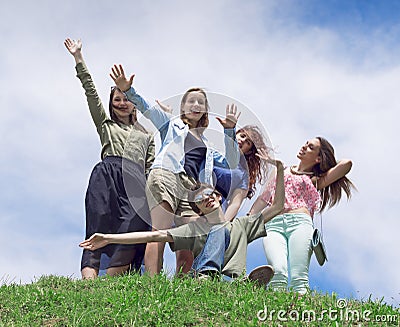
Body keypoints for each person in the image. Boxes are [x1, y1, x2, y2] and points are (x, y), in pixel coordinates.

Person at [109, 64, 241, 275]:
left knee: (190, 236)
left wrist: (229, 130)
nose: (196, 104)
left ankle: (185, 284)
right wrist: (127, 90)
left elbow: (232, 162)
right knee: (159, 231)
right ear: (183, 107)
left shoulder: (207, 146)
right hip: (166, 175)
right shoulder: (171, 124)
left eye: (201, 102)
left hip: (191, 190)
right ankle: (152, 284)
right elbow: (146, 108)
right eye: (191, 101)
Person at [79, 150, 285, 282]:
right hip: (201, 279)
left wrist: (280, 170)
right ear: (198, 211)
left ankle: (242, 284)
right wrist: (107, 238)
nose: (207, 199)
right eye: (200, 200)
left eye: (208, 194)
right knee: (219, 230)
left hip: (226, 280)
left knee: (226, 237)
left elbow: (276, 207)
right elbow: (152, 236)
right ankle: (206, 275)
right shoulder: (194, 230)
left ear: (218, 195)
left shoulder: (242, 225)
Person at [64, 38, 155, 279]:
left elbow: (152, 166)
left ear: (135, 104)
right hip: (107, 174)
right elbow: (91, 92)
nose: (122, 103)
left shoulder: (147, 135)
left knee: (135, 224)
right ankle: (89, 282)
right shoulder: (106, 125)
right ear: (112, 105)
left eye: (127, 99)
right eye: (117, 100)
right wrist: (78, 58)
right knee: (98, 224)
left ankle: (114, 274)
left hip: (136, 179)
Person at [249, 137, 355, 294]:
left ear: (318, 158)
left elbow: (346, 164)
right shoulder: (281, 170)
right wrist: (248, 220)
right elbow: (263, 198)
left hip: (299, 224)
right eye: (305, 143)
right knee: (277, 271)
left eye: (311, 147)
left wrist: (325, 165)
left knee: (299, 277)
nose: (304, 147)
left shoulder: (315, 180)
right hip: (273, 224)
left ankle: (302, 314)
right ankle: (274, 313)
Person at [157, 97, 270, 223]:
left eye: (247, 142)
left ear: (249, 151)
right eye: (242, 136)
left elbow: (235, 203)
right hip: (194, 199)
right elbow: (183, 148)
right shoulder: (212, 154)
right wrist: (169, 116)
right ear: (236, 134)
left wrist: (223, 224)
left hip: (215, 208)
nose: (242, 140)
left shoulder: (243, 174)